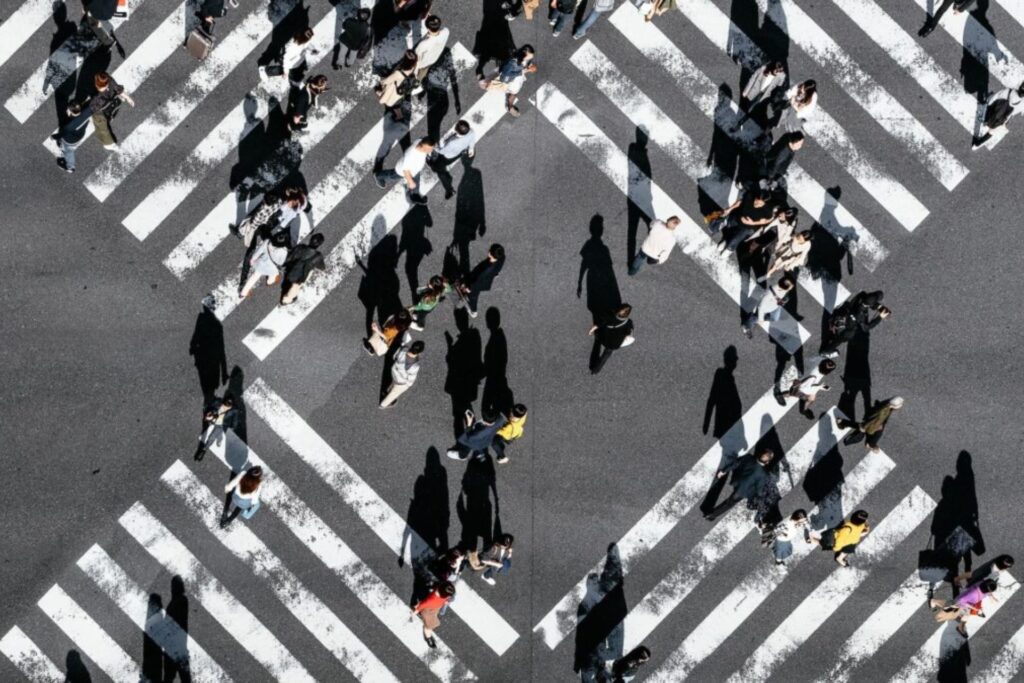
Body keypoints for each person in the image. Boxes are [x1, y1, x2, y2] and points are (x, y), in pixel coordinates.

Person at [704, 449, 774, 521]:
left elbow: (735, 464)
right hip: (742, 490)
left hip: (737, 480)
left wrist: (723, 471)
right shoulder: (764, 475)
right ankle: (711, 515)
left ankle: (709, 508)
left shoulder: (748, 457)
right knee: (729, 503)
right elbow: (759, 490)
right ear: (767, 462)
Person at [821, 290, 891, 354]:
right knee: (848, 334)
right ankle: (826, 351)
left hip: (841, 315)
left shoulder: (861, 295)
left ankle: (830, 340)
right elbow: (866, 328)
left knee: (848, 309)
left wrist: (878, 307)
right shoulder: (861, 316)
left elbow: (867, 301)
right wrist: (880, 317)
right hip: (843, 327)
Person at [375, 136, 435, 204]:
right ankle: (379, 176)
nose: (431, 150)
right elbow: (405, 170)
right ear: (423, 147)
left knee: (416, 181)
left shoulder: (420, 141)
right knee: (392, 176)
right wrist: (410, 182)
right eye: (430, 149)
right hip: (402, 171)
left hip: (414, 169)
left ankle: (415, 195)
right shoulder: (411, 155)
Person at [482, 45, 537, 117]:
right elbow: (505, 78)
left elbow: (523, 66)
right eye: (528, 57)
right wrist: (525, 71)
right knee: (513, 91)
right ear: (523, 55)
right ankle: (509, 105)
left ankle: (509, 104)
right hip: (512, 80)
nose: (529, 59)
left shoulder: (520, 60)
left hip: (514, 77)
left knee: (512, 92)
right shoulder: (513, 63)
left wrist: (528, 68)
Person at [930, 577, 998, 636]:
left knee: (965, 615)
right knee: (948, 606)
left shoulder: (982, 583)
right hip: (960, 604)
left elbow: (987, 591)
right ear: (986, 590)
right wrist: (976, 609)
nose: (991, 592)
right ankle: (933, 601)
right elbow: (962, 601)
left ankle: (960, 627)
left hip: (969, 602)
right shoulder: (974, 593)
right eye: (991, 591)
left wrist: (992, 597)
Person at [429, 119, 476, 199]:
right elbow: (472, 140)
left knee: (439, 171)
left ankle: (449, 190)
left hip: (446, 158)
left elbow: (442, 151)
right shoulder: (471, 131)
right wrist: (471, 148)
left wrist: (435, 147)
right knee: (437, 165)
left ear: (457, 131)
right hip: (458, 153)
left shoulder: (453, 143)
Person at [838, 396, 904, 451]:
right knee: (873, 433)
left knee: (864, 428)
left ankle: (842, 422)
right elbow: (873, 422)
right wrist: (865, 427)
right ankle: (870, 444)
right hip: (874, 424)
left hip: (874, 421)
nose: (901, 406)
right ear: (894, 406)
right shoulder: (883, 413)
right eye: (900, 405)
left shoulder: (887, 404)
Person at [89, 72, 135, 149]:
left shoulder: (107, 83)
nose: (105, 88)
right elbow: (118, 89)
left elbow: (118, 89)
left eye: (105, 86)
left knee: (104, 122)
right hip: (101, 110)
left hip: (103, 108)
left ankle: (107, 141)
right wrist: (127, 98)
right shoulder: (107, 83)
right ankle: (108, 144)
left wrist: (128, 98)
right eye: (102, 87)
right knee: (103, 128)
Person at [457, 244, 505, 318]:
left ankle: (473, 311)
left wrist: (469, 288)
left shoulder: (486, 270)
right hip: (487, 277)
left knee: (473, 297)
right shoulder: (501, 257)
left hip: (478, 284)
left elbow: (477, 283)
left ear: (490, 254)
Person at [238, 230, 289, 299]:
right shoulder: (284, 251)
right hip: (272, 269)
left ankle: (243, 293)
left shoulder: (268, 242)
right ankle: (269, 282)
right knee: (273, 275)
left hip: (261, 265)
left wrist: (253, 259)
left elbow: (258, 252)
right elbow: (281, 263)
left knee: (254, 277)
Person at [973, 81, 1024, 148]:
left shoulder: (1008, 91)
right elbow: (1017, 113)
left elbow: (995, 97)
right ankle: (978, 143)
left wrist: (989, 105)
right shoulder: (1022, 104)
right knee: (993, 130)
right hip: (1002, 118)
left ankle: (984, 121)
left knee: (987, 114)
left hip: (994, 109)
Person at [743, 274, 795, 338]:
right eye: (790, 287)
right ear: (784, 287)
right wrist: (761, 320)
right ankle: (746, 326)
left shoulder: (783, 288)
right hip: (766, 308)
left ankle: (755, 318)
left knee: (775, 318)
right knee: (756, 318)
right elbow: (761, 307)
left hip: (776, 305)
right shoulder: (769, 293)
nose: (791, 288)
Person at [280, 233, 326, 305]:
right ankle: (287, 299)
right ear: (319, 245)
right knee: (297, 285)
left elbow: (289, 258)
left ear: (310, 240)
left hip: (289, 272)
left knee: (290, 284)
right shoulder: (318, 256)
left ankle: (286, 295)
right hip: (299, 278)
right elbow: (322, 267)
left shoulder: (300, 247)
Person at [589, 303, 635, 374]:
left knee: (598, 341)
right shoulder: (629, 322)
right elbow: (629, 333)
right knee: (606, 355)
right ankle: (595, 370)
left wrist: (592, 330)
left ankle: (597, 344)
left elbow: (599, 324)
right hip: (615, 344)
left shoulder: (610, 318)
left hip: (605, 340)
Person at [193, 393, 238, 461]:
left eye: (228, 407)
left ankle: (203, 450)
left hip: (221, 425)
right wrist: (209, 414)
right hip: (213, 421)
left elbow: (235, 422)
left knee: (212, 437)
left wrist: (230, 428)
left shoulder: (234, 410)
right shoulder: (217, 402)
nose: (225, 407)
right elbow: (208, 407)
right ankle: (219, 439)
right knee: (218, 435)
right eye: (224, 405)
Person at [375, 50, 418, 122]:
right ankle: (399, 115)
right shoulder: (414, 67)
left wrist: (381, 81)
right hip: (403, 89)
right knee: (397, 103)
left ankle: (380, 93)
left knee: (391, 102)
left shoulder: (399, 73)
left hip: (394, 91)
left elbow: (386, 81)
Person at [380, 339, 425, 408]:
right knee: (394, 393)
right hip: (401, 380)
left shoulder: (404, 349)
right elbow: (411, 379)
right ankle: (383, 404)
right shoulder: (415, 366)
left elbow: (395, 356)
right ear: (419, 352)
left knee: (393, 382)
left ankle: (387, 391)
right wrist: (407, 385)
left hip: (395, 370)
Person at [410, 581, 455, 649]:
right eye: (448, 596)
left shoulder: (441, 592)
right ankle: (428, 638)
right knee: (428, 627)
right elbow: (421, 605)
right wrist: (413, 614)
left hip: (435, 608)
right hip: (429, 611)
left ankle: (428, 636)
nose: (449, 597)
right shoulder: (431, 599)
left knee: (430, 623)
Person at [412, 15, 450, 90]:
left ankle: (414, 83)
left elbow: (416, 58)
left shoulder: (424, 44)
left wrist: (415, 72)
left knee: (417, 74)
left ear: (428, 29)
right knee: (423, 72)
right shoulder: (446, 31)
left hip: (422, 63)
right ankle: (418, 81)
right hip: (433, 59)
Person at [55, 102, 91, 174]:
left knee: (68, 149)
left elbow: (64, 132)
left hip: (71, 139)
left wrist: (56, 137)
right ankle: (69, 165)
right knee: (67, 149)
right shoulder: (84, 114)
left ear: (71, 112)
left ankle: (70, 167)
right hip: (77, 134)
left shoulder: (70, 123)